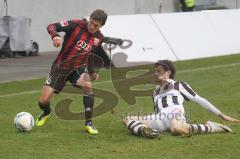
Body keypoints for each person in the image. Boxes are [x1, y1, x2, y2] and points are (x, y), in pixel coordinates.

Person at [123, 60, 240, 138]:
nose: (155, 73)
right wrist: (153, 121)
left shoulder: (179, 85)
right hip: (161, 118)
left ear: (168, 73)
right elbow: (157, 111)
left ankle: (212, 126)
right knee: (127, 118)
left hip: (175, 114)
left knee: (177, 129)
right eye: (155, 71)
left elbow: (200, 100)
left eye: (158, 71)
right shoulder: (155, 92)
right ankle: (146, 131)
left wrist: (222, 115)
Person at [36, 9, 108, 135]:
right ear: (89, 18)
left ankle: (89, 123)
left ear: (102, 26)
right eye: (91, 22)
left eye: (96, 25)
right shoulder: (76, 24)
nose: (92, 26)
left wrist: (92, 71)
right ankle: (46, 112)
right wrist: (55, 36)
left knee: (87, 85)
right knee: (43, 101)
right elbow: (51, 26)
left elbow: (90, 53)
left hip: (78, 67)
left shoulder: (99, 38)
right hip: (61, 66)